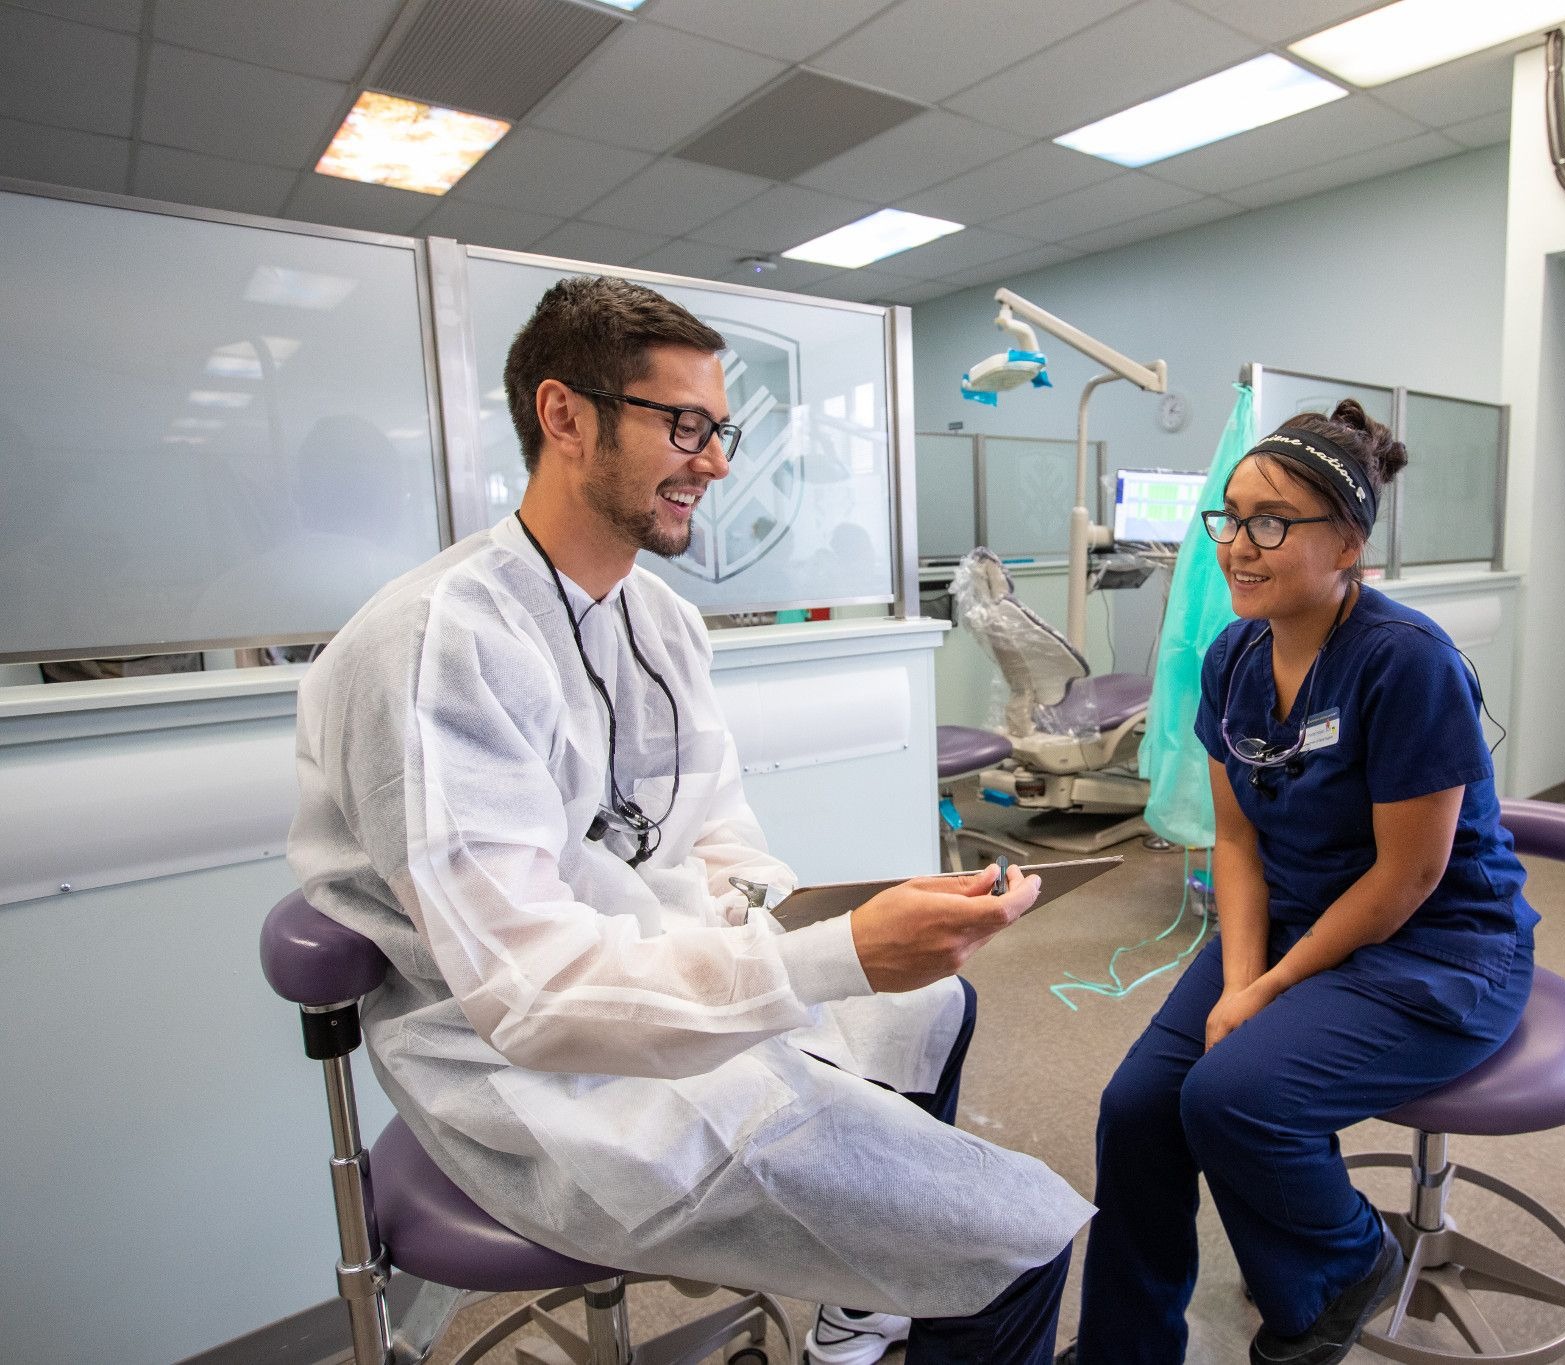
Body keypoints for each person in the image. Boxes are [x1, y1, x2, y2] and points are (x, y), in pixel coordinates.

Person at [289, 276, 1090, 1365]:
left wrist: (807, 920)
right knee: (1011, 1238)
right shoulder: (436, 648)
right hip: (527, 1074)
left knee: (932, 1001)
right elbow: (531, 995)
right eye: (684, 426)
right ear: (564, 416)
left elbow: (714, 831)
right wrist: (831, 960)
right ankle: (897, 1258)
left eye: (722, 430)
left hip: (661, 974)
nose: (715, 463)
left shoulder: (658, 619)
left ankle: (860, 1298)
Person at [1062, 401, 1538, 1365]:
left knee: (1232, 1095)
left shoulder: (1406, 664)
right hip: (1290, 919)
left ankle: (1344, 1263)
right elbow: (1236, 844)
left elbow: (1409, 879)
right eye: (1229, 518)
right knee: (1142, 1108)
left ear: (1350, 542)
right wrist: (1242, 978)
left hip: (1435, 946)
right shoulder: (1234, 654)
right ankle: (1126, 1349)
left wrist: (1270, 991)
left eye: (1269, 522)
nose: (1237, 545)